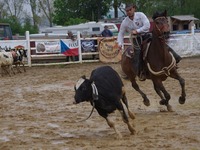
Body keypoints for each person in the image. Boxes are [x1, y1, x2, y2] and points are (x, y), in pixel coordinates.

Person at [117, 3, 150, 81]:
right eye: (127, 11)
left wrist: (137, 31)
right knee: (137, 53)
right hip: (136, 39)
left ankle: (174, 58)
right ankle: (139, 72)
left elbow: (147, 25)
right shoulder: (125, 22)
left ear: (134, 9)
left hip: (146, 35)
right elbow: (121, 33)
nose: (128, 12)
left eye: (130, 10)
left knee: (159, 42)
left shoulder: (141, 15)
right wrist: (120, 43)